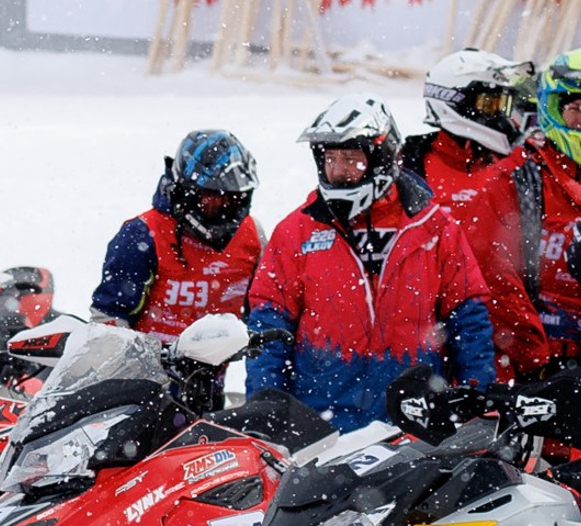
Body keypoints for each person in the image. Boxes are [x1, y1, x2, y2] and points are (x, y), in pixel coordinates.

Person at [244, 97, 494, 429]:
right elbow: (269, 328)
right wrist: (266, 404)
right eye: (330, 159)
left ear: (381, 158)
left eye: (351, 160)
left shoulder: (434, 227)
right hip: (321, 422)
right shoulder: (295, 232)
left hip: (413, 421)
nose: (338, 171)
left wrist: (474, 396)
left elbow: (468, 319)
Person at [466, 47, 581, 375]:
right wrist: (536, 357)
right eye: (576, 108)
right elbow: (494, 274)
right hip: (524, 363)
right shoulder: (517, 177)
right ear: (553, 108)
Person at [91, 131, 262, 338]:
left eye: (234, 202)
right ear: (186, 192)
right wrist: (158, 358)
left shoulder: (252, 235)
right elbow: (107, 321)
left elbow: (264, 311)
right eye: (212, 201)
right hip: (143, 366)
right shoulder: (141, 235)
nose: (224, 213)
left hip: (211, 368)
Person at [402, 49, 531, 224]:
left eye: (502, 105)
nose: (500, 117)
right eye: (488, 104)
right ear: (454, 101)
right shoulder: (405, 167)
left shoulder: (518, 166)